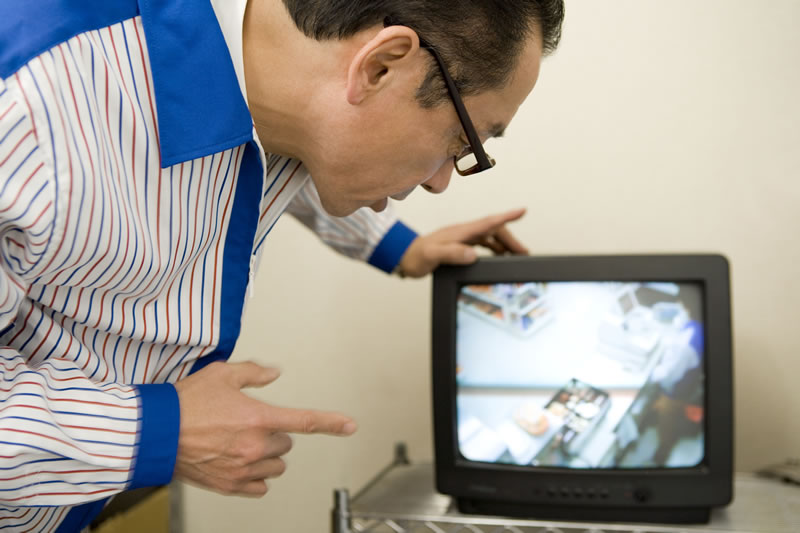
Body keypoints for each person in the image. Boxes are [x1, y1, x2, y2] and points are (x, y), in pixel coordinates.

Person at [0, 0, 565, 530]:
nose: (442, 181)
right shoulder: (32, 100)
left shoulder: (270, 70)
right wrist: (156, 433)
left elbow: (288, 149)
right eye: (462, 139)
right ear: (381, 66)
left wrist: (400, 247)